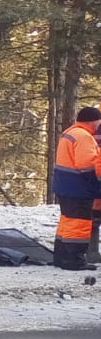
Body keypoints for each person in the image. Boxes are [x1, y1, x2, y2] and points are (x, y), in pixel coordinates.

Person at [52, 105, 101, 271]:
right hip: (78, 188)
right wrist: (96, 184)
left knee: (67, 221)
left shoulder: (70, 132)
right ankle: (74, 260)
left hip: (64, 186)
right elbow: (86, 165)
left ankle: (61, 257)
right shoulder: (84, 137)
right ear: (93, 122)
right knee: (79, 223)